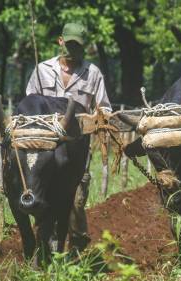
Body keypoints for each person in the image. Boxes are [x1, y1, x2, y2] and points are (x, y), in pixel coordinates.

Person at [25, 23, 112, 252]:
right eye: (69, 43)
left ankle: (76, 247)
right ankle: (40, 245)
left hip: (75, 154)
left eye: (77, 45)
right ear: (60, 41)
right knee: (35, 197)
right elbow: (28, 106)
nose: (72, 49)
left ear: (84, 48)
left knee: (74, 201)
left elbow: (104, 110)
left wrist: (97, 120)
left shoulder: (92, 73)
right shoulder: (42, 70)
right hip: (43, 152)